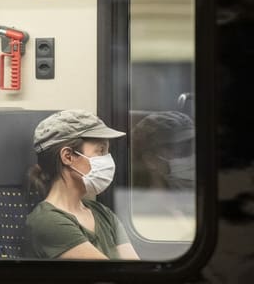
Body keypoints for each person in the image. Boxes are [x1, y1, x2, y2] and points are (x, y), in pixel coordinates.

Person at [24, 109, 139, 260]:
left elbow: (134, 269)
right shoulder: (48, 222)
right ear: (68, 157)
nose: (108, 160)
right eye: (101, 151)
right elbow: (113, 275)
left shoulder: (103, 213)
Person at [131, 111, 195, 190]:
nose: (193, 155)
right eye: (183, 149)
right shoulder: (131, 199)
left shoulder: (194, 192)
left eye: (195, 147)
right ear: (150, 160)